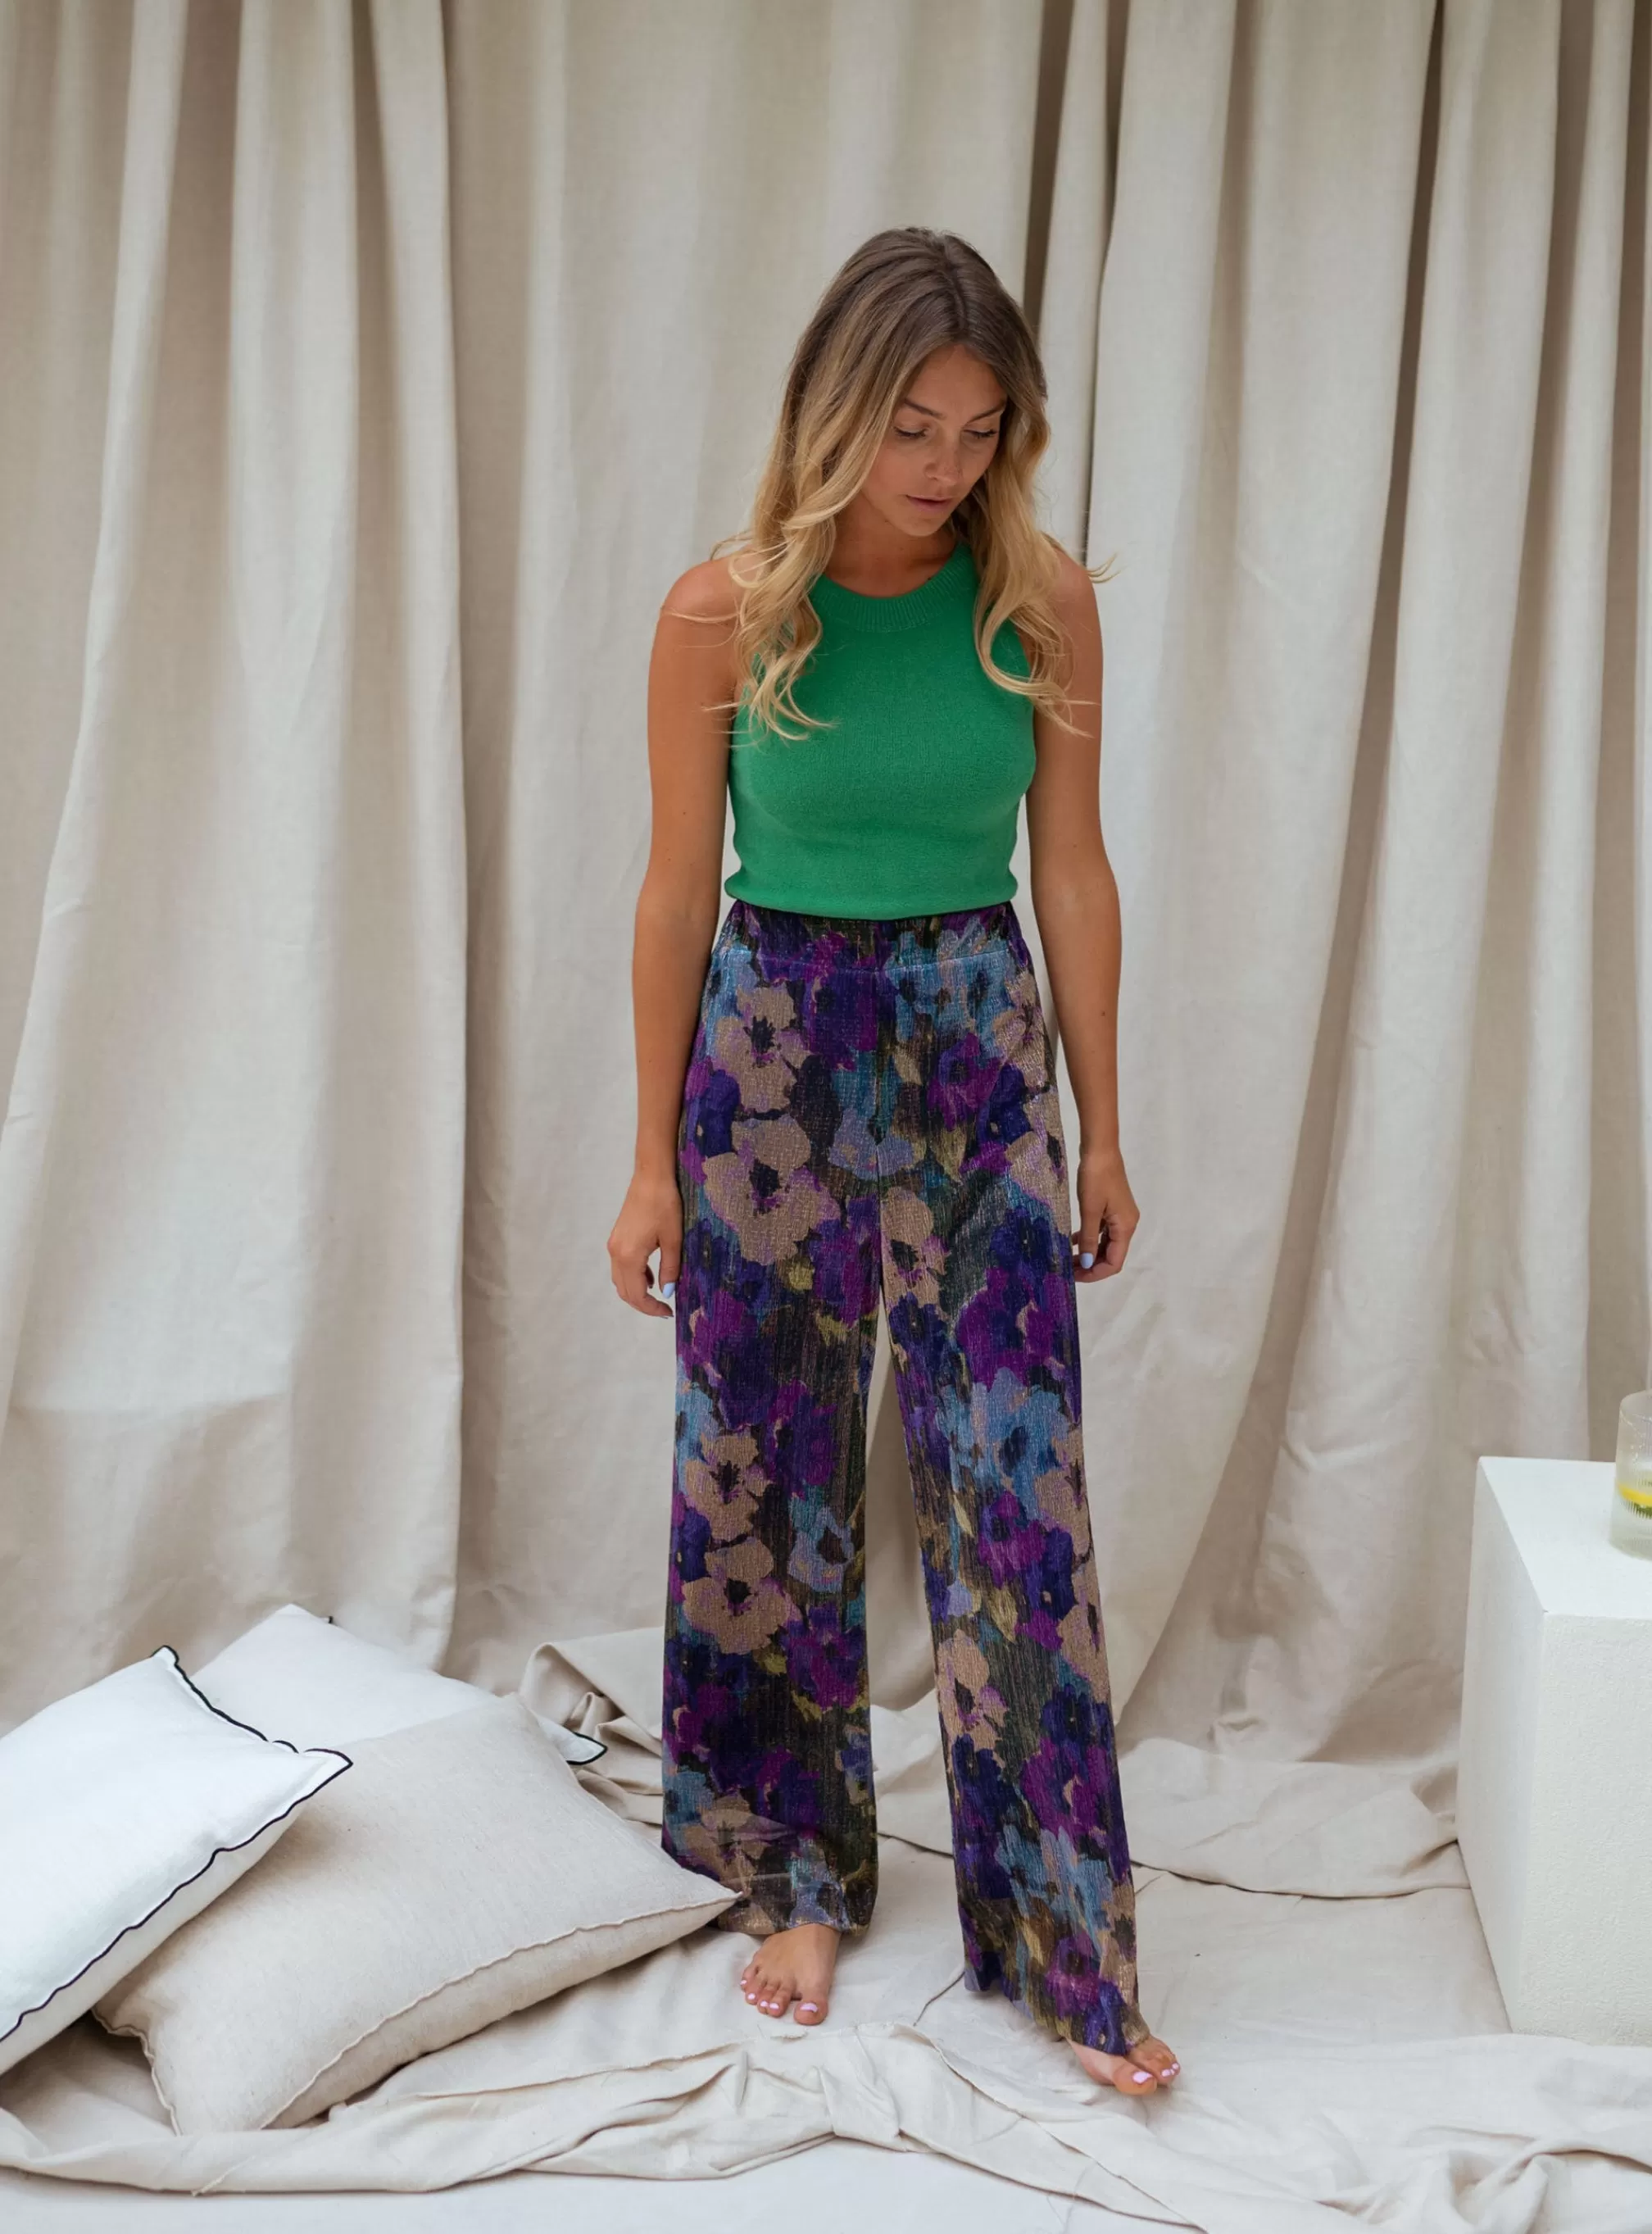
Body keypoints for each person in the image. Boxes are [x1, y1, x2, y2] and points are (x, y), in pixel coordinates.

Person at [607, 227, 1179, 2097]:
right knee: (763, 1472)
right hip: (770, 1050)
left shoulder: (1040, 600)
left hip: (977, 1042)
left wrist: (1104, 1125)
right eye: (910, 425)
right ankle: (792, 1873)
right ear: (834, 411)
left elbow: (1072, 868)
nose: (943, 464)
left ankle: (1065, 1940)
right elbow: (677, 892)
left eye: (979, 427)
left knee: (1014, 1486)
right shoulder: (724, 612)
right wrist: (648, 1161)